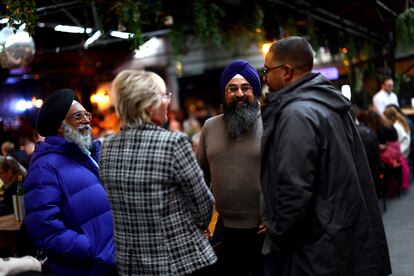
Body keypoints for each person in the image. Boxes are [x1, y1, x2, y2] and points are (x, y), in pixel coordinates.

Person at [261, 36, 391, 275]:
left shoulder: (297, 114)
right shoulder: (327, 102)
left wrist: (277, 240)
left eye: (267, 70)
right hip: (339, 235)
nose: (265, 77)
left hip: (315, 248)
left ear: (286, 71)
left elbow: (294, 190)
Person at [100, 70, 216, 276]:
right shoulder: (173, 143)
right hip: (176, 260)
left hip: (131, 263)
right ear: (148, 105)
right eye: (164, 96)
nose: (168, 101)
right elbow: (203, 205)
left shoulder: (107, 146)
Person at [23, 89, 116, 276]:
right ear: (60, 126)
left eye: (86, 114)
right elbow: (44, 229)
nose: (87, 121)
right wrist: (93, 250)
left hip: (112, 264)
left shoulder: (86, 155)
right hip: (85, 268)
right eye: (78, 116)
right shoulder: (44, 168)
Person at [196, 60, 263, 276]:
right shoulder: (210, 126)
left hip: (265, 229)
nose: (239, 94)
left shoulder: (273, 122)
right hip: (224, 229)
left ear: (256, 91)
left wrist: (276, 216)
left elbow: (287, 175)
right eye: (231, 88)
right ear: (224, 94)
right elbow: (199, 177)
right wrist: (202, 217)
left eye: (246, 88)